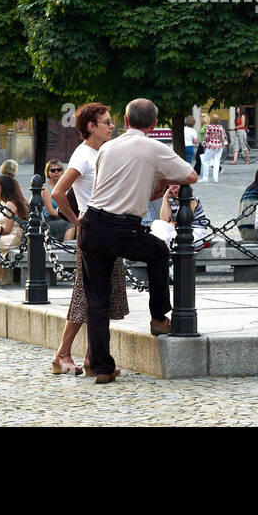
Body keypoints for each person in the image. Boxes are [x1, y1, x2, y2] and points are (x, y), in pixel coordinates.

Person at [80, 98, 197, 383]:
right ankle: (159, 317)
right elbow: (190, 175)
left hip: (93, 224)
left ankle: (102, 367)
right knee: (158, 252)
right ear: (154, 125)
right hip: (124, 228)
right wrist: (158, 180)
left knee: (97, 299)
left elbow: (106, 187)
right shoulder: (155, 148)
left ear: (126, 122)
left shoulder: (107, 147)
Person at [48, 102, 126, 376]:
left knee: (100, 296)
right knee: (85, 295)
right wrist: (76, 220)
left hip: (109, 230)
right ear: (91, 127)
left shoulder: (103, 151)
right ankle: (63, 353)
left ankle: (94, 357)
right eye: (106, 122)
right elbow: (58, 193)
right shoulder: (82, 156)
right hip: (93, 232)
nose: (111, 125)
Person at [41, 159, 75, 242]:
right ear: (48, 173)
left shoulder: (68, 186)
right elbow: (51, 212)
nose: (56, 172)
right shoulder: (45, 188)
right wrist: (70, 216)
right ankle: (66, 251)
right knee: (72, 225)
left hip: (65, 217)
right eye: (53, 170)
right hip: (50, 220)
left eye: (59, 170)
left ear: (63, 172)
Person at [200, 114, 227, 183]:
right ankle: (216, 178)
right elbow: (224, 136)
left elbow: (206, 137)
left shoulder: (209, 127)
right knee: (217, 162)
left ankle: (205, 178)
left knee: (206, 162)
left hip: (210, 146)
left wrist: (205, 144)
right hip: (219, 146)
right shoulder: (221, 127)